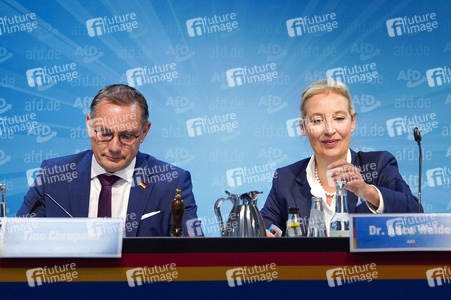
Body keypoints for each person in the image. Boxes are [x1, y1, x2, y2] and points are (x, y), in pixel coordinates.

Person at [17, 84, 202, 237]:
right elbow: (17, 241)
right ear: (90, 126)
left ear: (144, 132)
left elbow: (194, 260)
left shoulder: (171, 182)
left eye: (127, 136)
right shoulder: (53, 176)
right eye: (105, 133)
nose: (114, 147)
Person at [261, 79, 422, 237]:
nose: (329, 130)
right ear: (303, 127)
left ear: (353, 122)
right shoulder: (285, 179)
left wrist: (367, 192)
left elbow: (417, 216)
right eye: (317, 120)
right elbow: (260, 229)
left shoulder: (378, 165)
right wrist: (261, 236)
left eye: (339, 118)